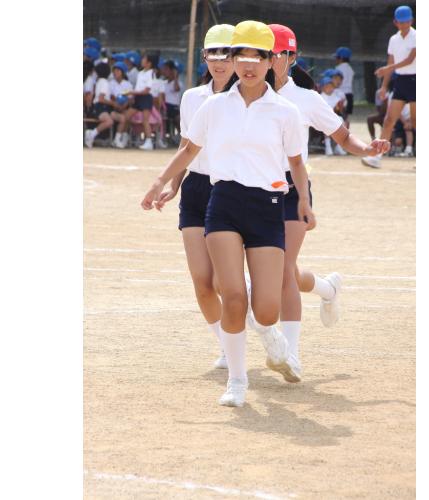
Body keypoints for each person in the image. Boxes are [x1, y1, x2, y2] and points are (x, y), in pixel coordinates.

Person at [141, 21, 314, 407]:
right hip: (223, 203)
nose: (248, 64)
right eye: (241, 56)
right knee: (233, 296)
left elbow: (296, 162)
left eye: (257, 57)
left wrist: (303, 201)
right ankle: (237, 381)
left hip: (268, 207)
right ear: (233, 60)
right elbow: (188, 150)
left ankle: (269, 332)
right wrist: (159, 182)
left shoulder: (285, 111)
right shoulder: (213, 106)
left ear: (271, 61)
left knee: (265, 309)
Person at [263, 23, 391, 381]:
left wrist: (368, 148)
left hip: (292, 189)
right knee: (279, 272)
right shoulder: (245, 93)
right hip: (251, 189)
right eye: (263, 53)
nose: (268, 60)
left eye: (275, 53)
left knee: (283, 270)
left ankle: (291, 354)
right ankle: (327, 287)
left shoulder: (306, 98)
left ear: (291, 57)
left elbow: (343, 136)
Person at [152, 24, 236, 369]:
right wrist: (174, 184)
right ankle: (228, 347)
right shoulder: (191, 98)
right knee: (202, 284)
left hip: (230, 190)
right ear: (204, 56)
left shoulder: (247, 99)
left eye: (227, 54)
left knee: (222, 281)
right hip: (195, 189)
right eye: (213, 53)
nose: (220, 61)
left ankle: (258, 324)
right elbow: (186, 146)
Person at [362, 5, 416, 168]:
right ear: (395, 22)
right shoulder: (393, 39)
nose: (404, 24)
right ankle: (377, 157)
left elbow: (410, 60)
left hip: (416, 81)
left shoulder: (417, 36)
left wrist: (388, 69)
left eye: (407, 21)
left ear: (412, 21)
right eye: (401, 22)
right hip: (400, 81)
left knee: (416, 122)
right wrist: (384, 87)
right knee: (389, 120)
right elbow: (391, 62)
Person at [115, 53, 159, 150]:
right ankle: (121, 138)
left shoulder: (151, 73)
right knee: (127, 116)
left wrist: (131, 92)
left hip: (146, 98)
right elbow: (138, 87)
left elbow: (147, 90)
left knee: (145, 120)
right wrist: (133, 95)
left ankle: (149, 142)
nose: (142, 61)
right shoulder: (140, 73)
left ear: (149, 63)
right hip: (138, 97)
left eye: (144, 59)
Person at [84, 62, 114, 148]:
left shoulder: (99, 81)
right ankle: (92, 133)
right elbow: (101, 98)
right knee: (109, 122)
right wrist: (113, 103)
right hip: (101, 106)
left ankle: (92, 134)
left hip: (99, 106)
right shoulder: (105, 82)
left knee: (116, 118)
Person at [319, 73, 346, 156]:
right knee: (327, 123)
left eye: (331, 86)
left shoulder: (335, 96)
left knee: (341, 121)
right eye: (328, 86)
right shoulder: (320, 97)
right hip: (322, 118)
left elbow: (340, 109)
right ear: (323, 88)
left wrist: (339, 107)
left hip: (334, 117)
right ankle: (328, 146)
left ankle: (338, 146)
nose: (330, 88)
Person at [109, 61, 133, 148]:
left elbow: (130, 98)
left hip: (124, 108)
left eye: (118, 71)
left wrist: (124, 106)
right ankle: (117, 139)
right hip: (112, 109)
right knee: (122, 118)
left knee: (128, 116)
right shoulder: (110, 83)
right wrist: (117, 104)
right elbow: (111, 97)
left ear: (123, 72)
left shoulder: (127, 84)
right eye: (114, 71)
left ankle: (123, 137)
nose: (115, 73)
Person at [162, 60, 184, 143]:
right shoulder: (163, 82)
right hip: (164, 106)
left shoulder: (179, 83)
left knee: (177, 117)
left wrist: (175, 77)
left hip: (173, 107)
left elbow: (176, 88)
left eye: (166, 69)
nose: (164, 71)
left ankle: (182, 136)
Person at [334, 46, 354, 128]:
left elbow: (336, 83)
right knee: (346, 117)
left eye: (337, 57)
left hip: (340, 94)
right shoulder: (350, 69)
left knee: (338, 116)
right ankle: (347, 133)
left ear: (341, 58)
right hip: (349, 94)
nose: (335, 60)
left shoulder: (338, 69)